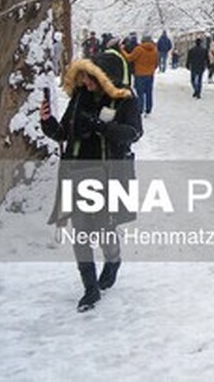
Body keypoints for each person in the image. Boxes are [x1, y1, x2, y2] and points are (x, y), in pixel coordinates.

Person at [40, 51, 143, 312]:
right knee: (81, 231)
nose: (85, 83)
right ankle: (90, 288)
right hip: (77, 172)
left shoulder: (125, 100)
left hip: (108, 174)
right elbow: (63, 133)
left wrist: (99, 126)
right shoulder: (79, 98)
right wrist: (47, 122)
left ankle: (113, 260)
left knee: (104, 228)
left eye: (90, 78)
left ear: (106, 78)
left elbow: (132, 133)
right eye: (83, 77)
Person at [122, 35, 159, 116]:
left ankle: (140, 109)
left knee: (140, 93)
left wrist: (122, 51)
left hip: (140, 74)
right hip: (150, 74)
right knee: (149, 92)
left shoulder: (139, 49)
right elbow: (156, 63)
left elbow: (129, 58)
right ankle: (148, 109)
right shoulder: (155, 50)